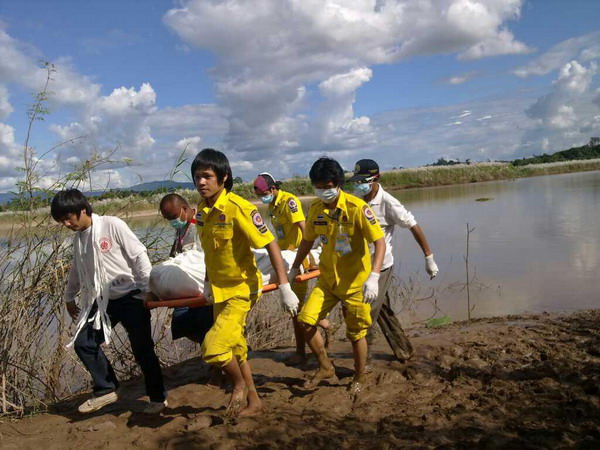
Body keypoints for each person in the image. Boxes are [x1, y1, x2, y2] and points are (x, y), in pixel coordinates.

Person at [193, 148, 300, 417]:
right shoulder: (202, 213)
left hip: (242, 290)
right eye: (197, 177)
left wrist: (285, 286)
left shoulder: (239, 208)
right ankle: (255, 402)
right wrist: (207, 283)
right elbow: (210, 252)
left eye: (207, 176)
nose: (201, 182)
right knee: (237, 349)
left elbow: (271, 244)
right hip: (219, 290)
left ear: (223, 177)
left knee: (214, 349)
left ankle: (238, 385)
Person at [51, 189, 167, 414]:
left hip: (132, 296)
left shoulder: (112, 225)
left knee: (142, 350)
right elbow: (77, 270)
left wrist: (148, 290)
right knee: (83, 342)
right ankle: (107, 389)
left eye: (68, 217)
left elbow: (138, 256)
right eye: (61, 220)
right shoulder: (78, 239)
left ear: (82, 209)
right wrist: (68, 297)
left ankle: (158, 398)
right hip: (104, 300)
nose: (66, 224)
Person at [289, 157, 386, 395]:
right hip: (327, 282)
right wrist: (294, 267)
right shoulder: (315, 209)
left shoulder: (357, 208)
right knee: (305, 320)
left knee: (356, 334)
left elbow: (379, 242)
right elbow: (308, 240)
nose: (323, 191)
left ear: (338, 184)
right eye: (318, 187)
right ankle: (325, 366)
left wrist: (374, 276)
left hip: (355, 283)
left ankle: (360, 374)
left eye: (327, 186)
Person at [348, 159, 439, 365]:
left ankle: (365, 359)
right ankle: (404, 350)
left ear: (376, 179)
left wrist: (429, 258)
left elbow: (413, 225)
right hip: (361, 265)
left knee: (367, 311)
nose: (359, 185)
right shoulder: (357, 199)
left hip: (382, 266)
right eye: (356, 181)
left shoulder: (388, 202)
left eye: (363, 181)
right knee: (382, 309)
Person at [253, 173, 329, 365]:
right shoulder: (272, 206)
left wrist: (305, 259)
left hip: (296, 260)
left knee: (296, 309)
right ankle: (311, 338)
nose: (262, 197)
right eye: (259, 194)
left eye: (264, 193)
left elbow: (305, 230)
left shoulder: (289, 202)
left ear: (272, 189)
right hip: (285, 256)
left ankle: (305, 349)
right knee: (295, 310)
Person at [158, 193, 213, 344]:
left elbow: (208, 257)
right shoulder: (181, 228)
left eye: (172, 216)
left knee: (206, 325)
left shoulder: (200, 224)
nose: (171, 221)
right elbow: (176, 252)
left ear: (184, 208)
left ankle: (233, 356)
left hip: (202, 285)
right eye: (167, 218)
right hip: (187, 287)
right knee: (182, 325)